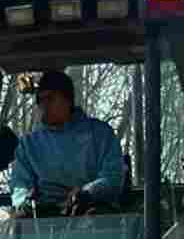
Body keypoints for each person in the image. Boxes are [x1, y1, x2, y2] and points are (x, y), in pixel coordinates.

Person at [8, 70, 125, 216]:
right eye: (40, 100)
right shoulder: (28, 145)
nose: (43, 106)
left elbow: (113, 177)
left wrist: (88, 193)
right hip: (43, 221)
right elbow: (20, 185)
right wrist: (24, 202)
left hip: (91, 214)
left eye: (50, 99)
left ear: (68, 100)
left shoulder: (100, 135)